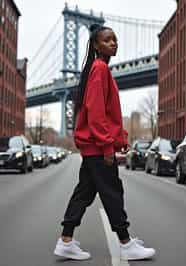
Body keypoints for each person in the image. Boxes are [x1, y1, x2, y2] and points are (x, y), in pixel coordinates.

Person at [54, 24, 156, 261]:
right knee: (112, 192)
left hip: (93, 147)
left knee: (84, 193)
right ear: (96, 45)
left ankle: (66, 240)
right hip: (98, 148)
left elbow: (102, 112)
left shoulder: (98, 69)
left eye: (115, 40)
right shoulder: (99, 70)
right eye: (108, 40)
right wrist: (107, 145)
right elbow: (96, 111)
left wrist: (118, 140)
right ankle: (125, 242)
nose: (114, 43)